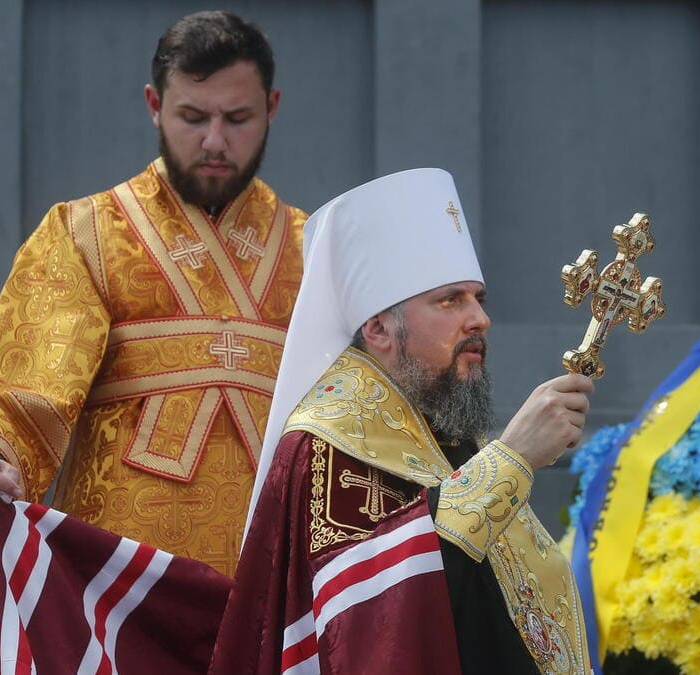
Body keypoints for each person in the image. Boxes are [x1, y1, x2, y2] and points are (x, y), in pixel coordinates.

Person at [0, 10, 307, 577]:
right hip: (118, 585)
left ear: (273, 109)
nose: (215, 141)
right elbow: (20, 388)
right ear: (154, 105)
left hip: (278, 578)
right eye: (192, 116)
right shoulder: (85, 232)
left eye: (238, 118)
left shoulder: (316, 246)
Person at [211, 169, 593, 674]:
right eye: (450, 300)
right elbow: (366, 624)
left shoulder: (441, 419)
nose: (479, 318)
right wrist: (512, 461)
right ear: (377, 328)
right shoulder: (327, 441)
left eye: (478, 298)